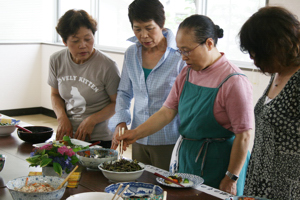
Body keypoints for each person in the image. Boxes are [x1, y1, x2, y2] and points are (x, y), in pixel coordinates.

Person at [117, 14, 254, 196]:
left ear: (209, 44)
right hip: (188, 158)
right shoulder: (188, 73)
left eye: (187, 51)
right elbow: (166, 112)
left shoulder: (234, 81)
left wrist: (231, 177)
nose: (183, 57)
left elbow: (244, 135)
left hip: (221, 162)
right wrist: (135, 133)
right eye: (180, 51)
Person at [110, 0, 185, 170]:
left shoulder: (179, 55)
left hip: (169, 138)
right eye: (137, 29)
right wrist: (121, 122)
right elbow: (124, 92)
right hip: (138, 137)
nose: (143, 35)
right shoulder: (131, 53)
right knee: (141, 187)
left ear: (161, 24)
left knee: (167, 190)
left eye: (149, 28)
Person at [239, 6, 300, 199]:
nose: (252, 58)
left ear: (277, 46)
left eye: (256, 51)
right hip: (260, 179)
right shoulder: (278, 73)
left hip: (289, 187)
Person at [48, 9, 120, 148]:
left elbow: (117, 104)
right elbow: (55, 94)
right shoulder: (56, 60)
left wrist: (91, 120)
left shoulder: (107, 65)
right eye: (75, 40)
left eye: (88, 39)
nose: (83, 45)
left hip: (99, 138)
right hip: (68, 135)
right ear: (64, 41)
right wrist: (62, 117)